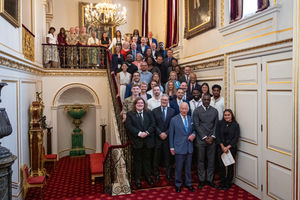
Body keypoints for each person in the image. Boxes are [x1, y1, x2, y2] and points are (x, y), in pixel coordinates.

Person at [125, 97, 155, 189]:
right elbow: (129, 126)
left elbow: (153, 124)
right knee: (137, 161)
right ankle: (137, 179)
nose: (140, 105)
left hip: (148, 141)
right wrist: (139, 133)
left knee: (147, 160)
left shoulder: (149, 112)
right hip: (137, 142)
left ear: (144, 104)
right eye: (138, 103)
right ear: (135, 105)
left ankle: (148, 177)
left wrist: (146, 133)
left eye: (142, 103)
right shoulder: (130, 114)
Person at [193, 93, 219, 189]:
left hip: (212, 140)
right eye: (205, 100)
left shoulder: (215, 111)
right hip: (201, 140)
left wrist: (212, 136)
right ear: (202, 100)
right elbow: (196, 125)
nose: (207, 101)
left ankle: (210, 180)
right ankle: (202, 180)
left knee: (211, 161)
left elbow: (216, 125)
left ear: (210, 100)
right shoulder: (197, 111)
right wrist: (204, 137)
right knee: (201, 161)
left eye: (208, 100)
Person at [169, 102, 196, 193]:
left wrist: (193, 134)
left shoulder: (190, 118)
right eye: (182, 109)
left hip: (189, 147)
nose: (184, 110)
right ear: (180, 109)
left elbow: (194, 130)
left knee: (188, 168)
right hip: (178, 147)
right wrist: (171, 147)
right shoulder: (173, 120)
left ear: (188, 109)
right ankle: (178, 184)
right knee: (179, 168)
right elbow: (171, 135)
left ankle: (189, 184)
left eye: (186, 109)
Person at [152, 94, 176, 181]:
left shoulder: (172, 111)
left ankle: (168, 174)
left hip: (167, 138)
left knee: (167, 158)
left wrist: (166, 133)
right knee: (156, 158)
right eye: (162, 100)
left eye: (166, 100)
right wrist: (160, 133)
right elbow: (153, 124)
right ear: (160, 101)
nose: (164, 101)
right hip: (157, 138)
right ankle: (156, 175)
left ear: (168, 101)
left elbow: (173, 125)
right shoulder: (154, 111)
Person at [217, 109, 240, 190]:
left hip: (231, 149)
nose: (226, 116)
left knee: (230, 166)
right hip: (221, 148)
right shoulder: (220, 123)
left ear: (231, 116)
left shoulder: (235, 125)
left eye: (228, 115)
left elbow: (236, 138)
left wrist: (228, 147)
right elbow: (218, 135)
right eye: (225, 115)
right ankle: (222, 182)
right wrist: (222, 146)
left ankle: (228, 183)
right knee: (222, 166)